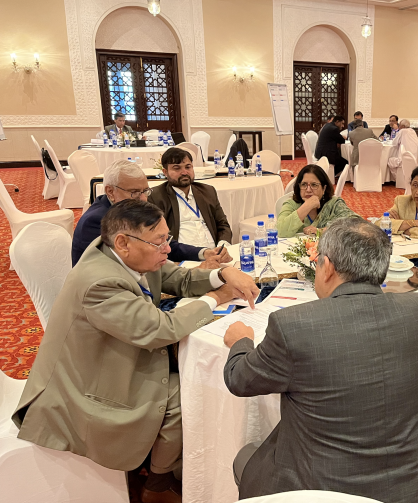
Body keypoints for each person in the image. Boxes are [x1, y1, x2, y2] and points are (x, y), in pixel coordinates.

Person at [13, 200, 260, 503]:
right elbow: (159, 329)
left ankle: (167, 467)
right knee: (186, 393)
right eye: (159, 241)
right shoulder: (100, 282)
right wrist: (216, 297)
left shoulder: (128, 256)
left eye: (167, 238)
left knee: (188, 375)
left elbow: (178, 278)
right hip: (82, 386)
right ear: (123, 242)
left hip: (111, 357)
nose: (168, 249)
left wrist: (223, 275)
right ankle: (158, 484)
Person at [222, 217, 418, 503]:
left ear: (328, 267)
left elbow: (239, 380)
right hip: (413, 487)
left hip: (318, 489)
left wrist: (241, 341)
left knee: (247, 457)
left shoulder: (292, 326)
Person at [72, 160, 230, 267]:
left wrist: (204, 253)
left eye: (145, 191)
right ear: (110, 192)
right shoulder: (96, 221)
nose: (142, 199)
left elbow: (163, 243)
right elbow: (121, 270)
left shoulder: (129, 209)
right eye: (134, 192)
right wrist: (190, 270)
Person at [149, 147, 233, 248]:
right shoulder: (156, 196)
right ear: (165, 172)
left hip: (215, 251)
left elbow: (223, 225)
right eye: (177, 168)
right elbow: (157, 236)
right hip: (181, 254)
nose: (184, 172)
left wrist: (223, 247)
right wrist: (200, 253)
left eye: (188, 167)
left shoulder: (207, 191)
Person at [277, 164, 357, 237]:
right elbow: (280, 231)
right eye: (304, 184)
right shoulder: (292, 204)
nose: (308, 190)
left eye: (314, 185)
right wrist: (307, 206)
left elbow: (357, 224)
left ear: (324, 189)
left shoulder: (333, 204)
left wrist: (321, 231)